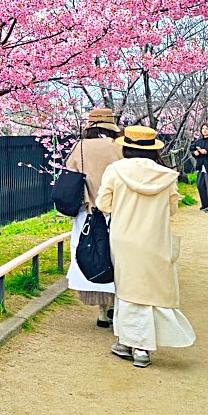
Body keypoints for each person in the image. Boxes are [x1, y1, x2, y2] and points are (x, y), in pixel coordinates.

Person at [95, 126, 195, 368]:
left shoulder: (116, 170)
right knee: (152, 289)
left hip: (124, 238)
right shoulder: (165, 175)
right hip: (155, 239)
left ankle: (129, 342)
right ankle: (142, 347)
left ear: (127, 147)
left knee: (128, 289)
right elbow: (172, 209)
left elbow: (103, 204)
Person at [64, 107, 123, 328]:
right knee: (117, 259)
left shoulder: (80, 147)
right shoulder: (120, 146)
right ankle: (116, 307)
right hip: (116, 211)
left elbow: (71, 174)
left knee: (92, 256)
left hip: (88, 213)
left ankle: (101, 312)